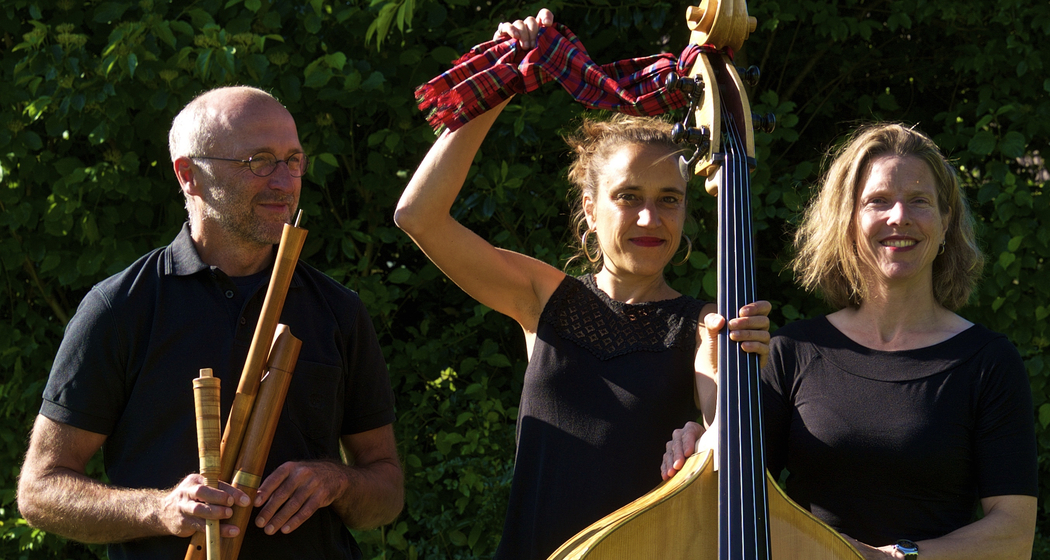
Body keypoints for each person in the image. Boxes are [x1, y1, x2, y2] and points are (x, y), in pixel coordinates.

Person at [396, 10, 770, 560]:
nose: (650, 219)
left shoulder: (706, 324)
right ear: (591, 210)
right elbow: (418, 216)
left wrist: (712, 430)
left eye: (669, 199)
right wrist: (505, 82)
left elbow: (719, 423)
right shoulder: (544, 298)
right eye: (628, 197)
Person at [17, 86, 404, 560]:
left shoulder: (338, 310)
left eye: (294, 159)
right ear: (189, 176)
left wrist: (336, 481)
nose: (285, 182)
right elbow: (40, 490)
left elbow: (385, 491)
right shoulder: (120, 308)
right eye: (259, 161)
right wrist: (161, 509)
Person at [661, 123, 1038, 559]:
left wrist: (894, 559)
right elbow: (728, 496)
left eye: (920, 201)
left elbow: (1013, 534)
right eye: (878, 201)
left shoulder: (988, 361)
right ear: (849, 219)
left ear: (946, 220)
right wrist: (710, 430)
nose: (899, 217)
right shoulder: (793, 352)